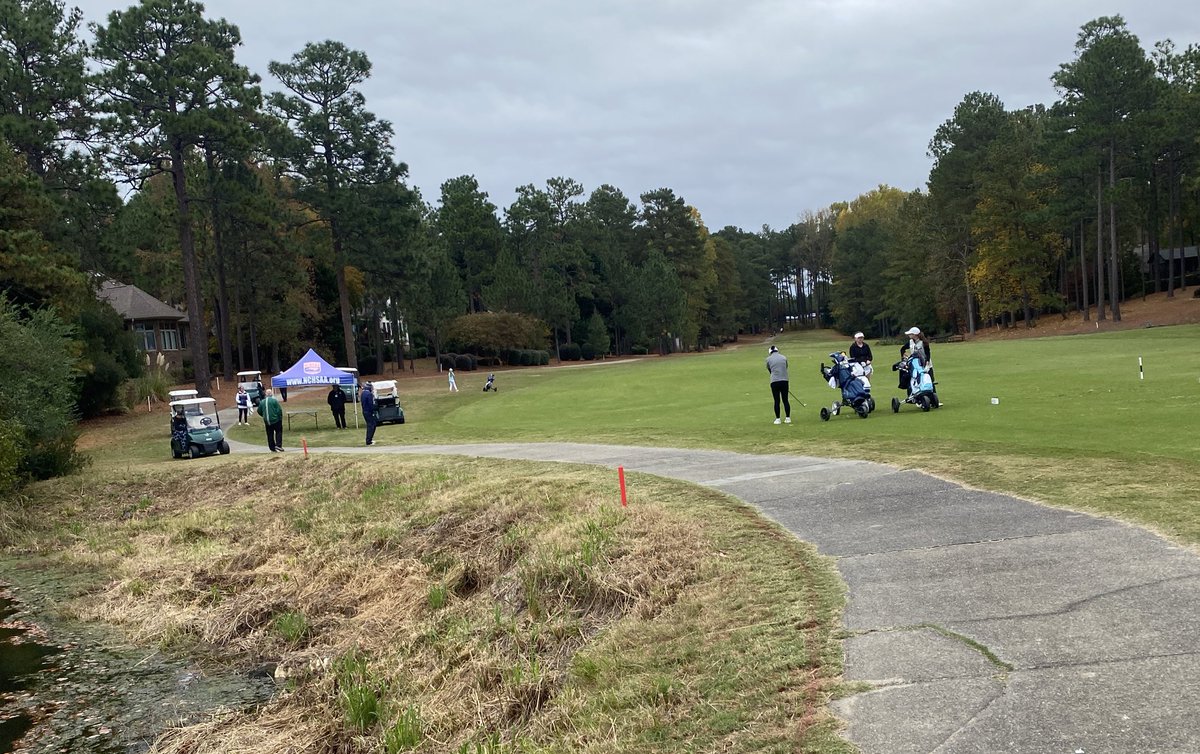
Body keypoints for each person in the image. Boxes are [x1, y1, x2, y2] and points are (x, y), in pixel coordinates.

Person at [765, 345, 791, 425]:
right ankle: (788, 418)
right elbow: (785, 367)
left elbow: (769, 369)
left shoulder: (768, 359)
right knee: (785, 400)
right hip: (784, 380)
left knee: (777, 400)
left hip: (774, 381)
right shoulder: (783, 357)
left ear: (770, 352)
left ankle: (778, 419)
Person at [256, 388, 284, 452]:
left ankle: (272, 447)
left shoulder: (262, 402)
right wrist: (279, 418)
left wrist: (264, 416)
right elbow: (279, 410)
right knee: (278, 431)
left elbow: (259, 411)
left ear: (266, 394)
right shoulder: (274, 401)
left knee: (269, 434)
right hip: (275, 420)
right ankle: (278, 445)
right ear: (271, 394)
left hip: (267, 421)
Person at [361, 382, 378, 446]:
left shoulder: (363, 393)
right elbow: (371, 404)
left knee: (371, 425)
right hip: (369, 412)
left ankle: (369, 440)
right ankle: (369, 441)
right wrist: (374, 409)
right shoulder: (369, 394)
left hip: (365, 411)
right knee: (371, 426)